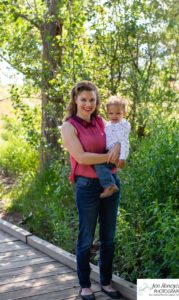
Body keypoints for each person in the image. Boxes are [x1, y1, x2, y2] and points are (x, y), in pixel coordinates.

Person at [61, 81, 122, 300]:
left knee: (108, 237)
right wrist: (108, 156)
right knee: (86, 238)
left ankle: (106, 282)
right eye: (84, 99)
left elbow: (116, 141)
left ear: (97, 101)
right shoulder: (69, 126)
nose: (88, 104)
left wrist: (116, 146)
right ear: (75, 100)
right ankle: (85, 285)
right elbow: (82, 157)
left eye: (92, 100)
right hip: (87, 187)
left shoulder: (101, 121)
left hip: (111, 182)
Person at [94, 96, 130, 198]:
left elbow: (124, 143)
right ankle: (108, 183)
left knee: (99, 165)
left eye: (118, 113)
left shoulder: (123, 126)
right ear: (107, 114)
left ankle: (110, 185)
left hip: (117, 156)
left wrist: (122, 158)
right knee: (100, 165)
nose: (114, 116)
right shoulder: (108, 125)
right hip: (109, 152)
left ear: (124, 113)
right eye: (111, 113)